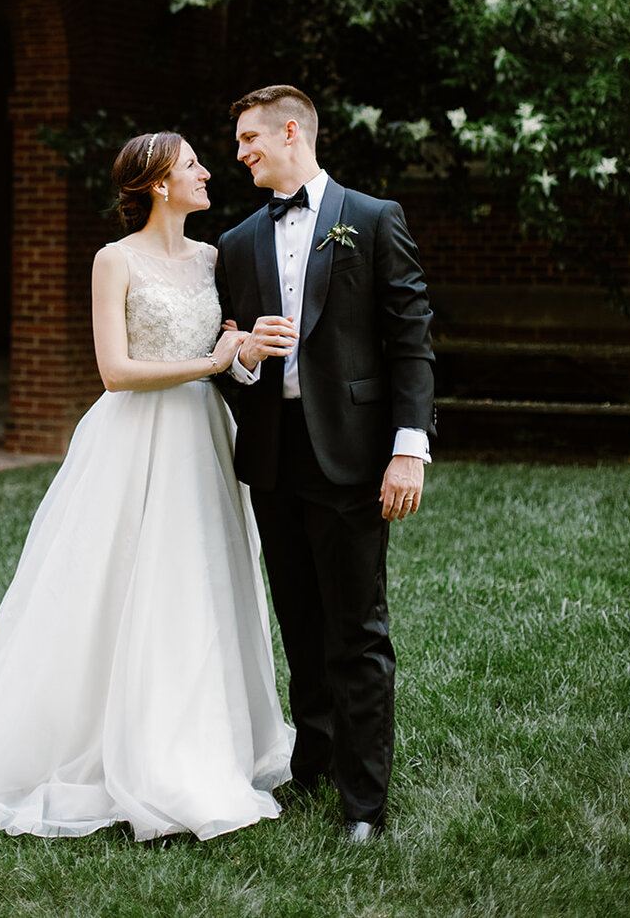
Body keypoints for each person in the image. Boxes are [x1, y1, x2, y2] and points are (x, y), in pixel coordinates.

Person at [0, 131, 291, 841]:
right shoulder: (115, 260)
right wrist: (209, 363)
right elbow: (116, 371)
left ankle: (200, 740)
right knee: (117, 585)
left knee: (197, 581)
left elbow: (224, 353)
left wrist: (241, 355)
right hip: (133, 438)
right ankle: (107, 744)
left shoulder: (214, 258)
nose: (204, 172)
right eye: (191, 164)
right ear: (160, 183)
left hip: (201, 439)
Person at [215, 85, 435, 843]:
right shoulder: (239, 240)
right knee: (299, 622)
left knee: (357, 629)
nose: (239, 153)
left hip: (353, 458)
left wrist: (408, 450)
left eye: (248, 139)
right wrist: (243, 359)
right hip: (274, 462)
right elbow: (228, 355)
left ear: (289, 131)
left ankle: (364, 803)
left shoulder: (373, 220)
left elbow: (411, 339)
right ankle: (315, 757)